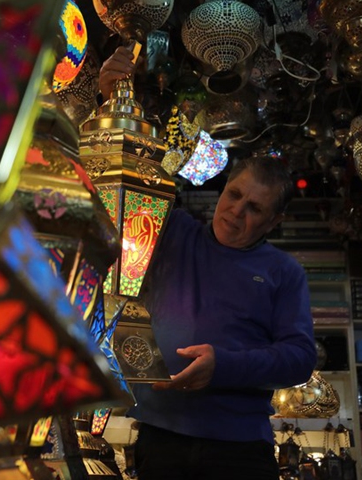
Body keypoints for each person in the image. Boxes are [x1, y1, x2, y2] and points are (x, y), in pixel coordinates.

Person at [99, 46, 317, 480]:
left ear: (274, 221)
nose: (237, 211)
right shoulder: (174, 232)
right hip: (160, 437)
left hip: (240, 447)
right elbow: (122, 187)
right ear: (223, 189)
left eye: (255, 208)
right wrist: (112, 103)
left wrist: (225, 365)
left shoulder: (283, 272)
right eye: (234, 195)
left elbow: (299, 358)